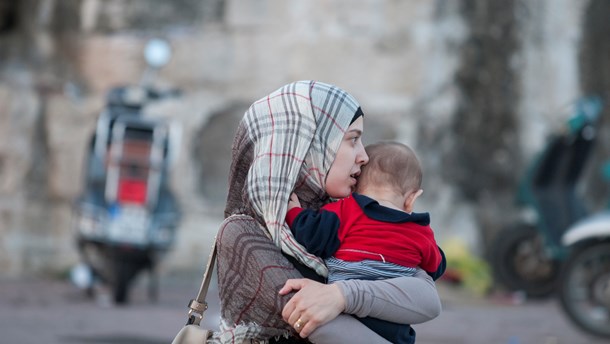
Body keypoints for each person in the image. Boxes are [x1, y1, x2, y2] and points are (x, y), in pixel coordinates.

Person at [212, 80, 443, 344]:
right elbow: (316, 320)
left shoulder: (344, 214)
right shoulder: (244, 233)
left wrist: (342, 295)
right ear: (306, 144)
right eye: (352, 139)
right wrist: (370, 296)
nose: (364, 155)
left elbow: (428, 299)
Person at [285, 141, 445, 343]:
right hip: (393, 327)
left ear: (356, 187)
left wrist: (294, 213)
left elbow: (311, 234)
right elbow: (436, 267)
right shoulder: (420, 230)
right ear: (412, 198)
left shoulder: (345, 210)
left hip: (341, 317)